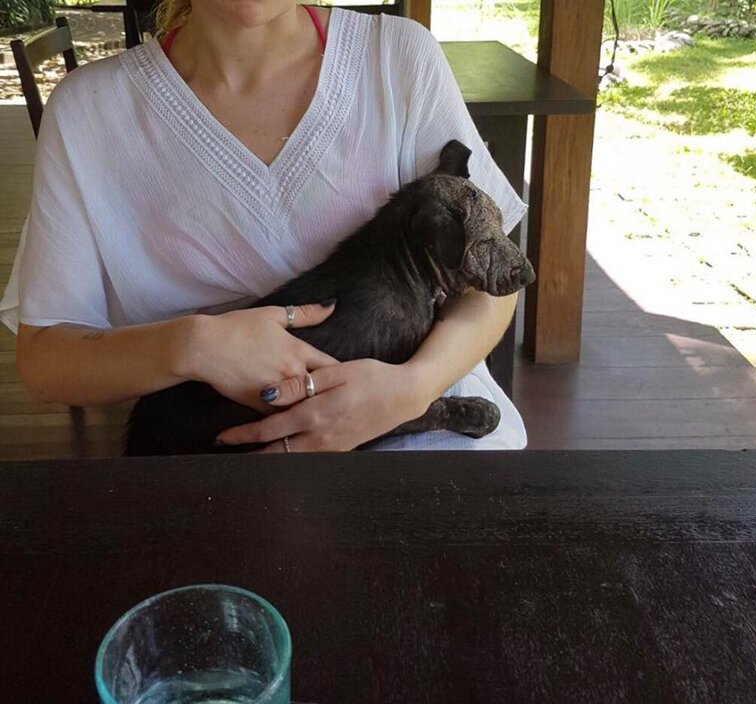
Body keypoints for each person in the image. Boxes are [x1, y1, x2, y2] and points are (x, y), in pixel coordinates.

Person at [0, 0, 528, 452]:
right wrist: (191, 345)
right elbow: (47, 359)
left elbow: (491, 282)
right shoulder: (89, 112)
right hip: (213, 457)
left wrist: (412, 390)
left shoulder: (396, 58)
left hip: (426, 429)